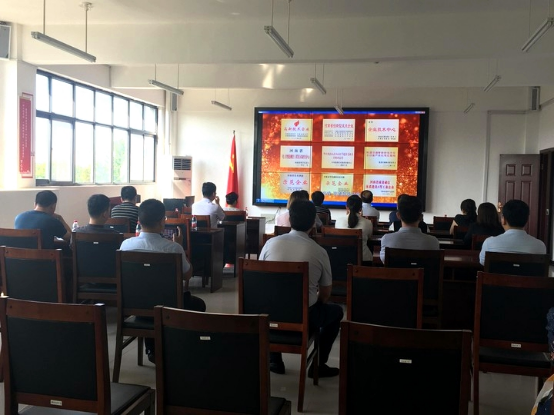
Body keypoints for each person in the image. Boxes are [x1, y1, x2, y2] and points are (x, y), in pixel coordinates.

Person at [259, 199, 343, 378]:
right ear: (313, 223)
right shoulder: (319, 251)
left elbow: (261, 279)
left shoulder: (270, 244)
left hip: (268, 315)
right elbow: (325, 294)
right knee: (336, 312)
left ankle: (274, 361)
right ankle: (318, 365)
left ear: (290, 219)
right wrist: (315, 302)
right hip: (305, 315)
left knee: (274, 300)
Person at [120, 199, 206, 363]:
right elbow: (187, 275)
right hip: (169, 306)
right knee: (198, 304)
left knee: (150, 298)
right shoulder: (173, 248)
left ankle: (152, 349)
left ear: (139, 221)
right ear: (162, 221)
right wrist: (180, 247)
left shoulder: (125, 245)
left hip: (137, 305)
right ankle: (181, 347)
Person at [479, 199, 546, 265]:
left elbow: (483, 262)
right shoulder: (540, 246)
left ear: (503, 220)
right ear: (526, 220)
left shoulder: (489, 243)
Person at [380, 195, 440, 263]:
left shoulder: (386, 239)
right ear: (421, 217)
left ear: (398, 215)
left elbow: (385, 261)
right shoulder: (433, 242)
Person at [334, 194, 373, 263]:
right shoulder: (368, 223)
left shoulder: (338, 221)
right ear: (360, 208)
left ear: (347, 207)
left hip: (341, 259)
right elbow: (369, 238)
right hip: (364, 260)